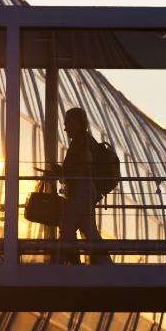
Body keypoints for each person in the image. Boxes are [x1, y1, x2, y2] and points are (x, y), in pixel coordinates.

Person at [53, 107, 111, 265]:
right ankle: (106, 266)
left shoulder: (82, 141)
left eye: (67, 123)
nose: (64, 127)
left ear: (76, 123)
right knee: (88, 230)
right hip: (84, 190)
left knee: (67, 223)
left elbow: (85, 165)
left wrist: (66, 174)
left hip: (82, 190)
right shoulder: (83, 140)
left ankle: (72, 264)